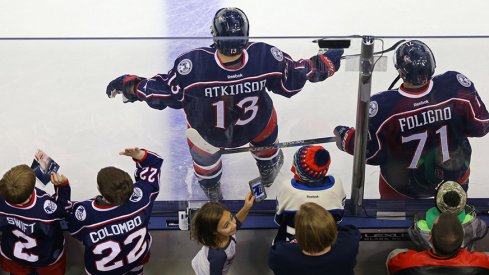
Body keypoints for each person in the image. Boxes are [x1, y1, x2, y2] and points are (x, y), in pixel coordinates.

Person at [106, 7, 344, 201]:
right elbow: (296, 76)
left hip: (209, 134)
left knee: (204, 161)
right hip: (256, 125)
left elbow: (164, 93)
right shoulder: (264, 55)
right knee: (267, 135)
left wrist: (129, 85)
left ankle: (212, 190)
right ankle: (268, 169)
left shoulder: (193, 64)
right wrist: (327, 60)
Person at [334, 40, 489, 199]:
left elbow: (373, 154)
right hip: (454, 178)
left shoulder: (384, 106)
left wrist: (348, 139)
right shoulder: (454, 85)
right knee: (452, 219)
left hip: (402, 188)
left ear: (401, 73)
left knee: (394, 220)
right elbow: (480, 126)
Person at [67, 148, 163, 275]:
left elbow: (74, 229)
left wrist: (62, 188)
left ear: (100, 190)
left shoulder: (88, 213)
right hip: (136, 260)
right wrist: (140, 155)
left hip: (104, 271)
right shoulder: (141, 199)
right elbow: (153, 166)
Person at [0, 165, 71, 275]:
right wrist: (62, 187)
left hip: (14, 255)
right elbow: (64, 210)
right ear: (29, 193)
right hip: (45, 258)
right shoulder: (44, 209)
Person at [274, 145, 345, 242]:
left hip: (292, 242)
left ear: (298, 170)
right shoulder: (336, 183)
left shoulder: (288, 188)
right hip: (327, 240)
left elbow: (279, 220)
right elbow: (338, 218)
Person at [269, 202, 360, 275]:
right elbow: (350, 230)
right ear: (332, 230)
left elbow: (278, 245)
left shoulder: (281, 256)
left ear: (299, 235)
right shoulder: (348, 246)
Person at [387, 212, 489, 274]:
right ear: (462, 239)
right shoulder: (482, 263)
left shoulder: (406, 263)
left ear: (430, 237)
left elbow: (392, 260)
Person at [409, 181, 487, 251]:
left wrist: (418, 217)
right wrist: (471, 212)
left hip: (435, 264)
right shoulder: (473, 223)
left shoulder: (422, 227)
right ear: (463, 202)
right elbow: (483, 229)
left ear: (437, 200)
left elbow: (413, 233)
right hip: (463, 263)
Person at [190, 192, 254, 275]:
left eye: (231, 217)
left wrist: (246, 207)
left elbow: (236, 222)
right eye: (226, 225)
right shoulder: (218, 256)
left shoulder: (225, 232)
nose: (234, 225)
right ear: (214, 232)